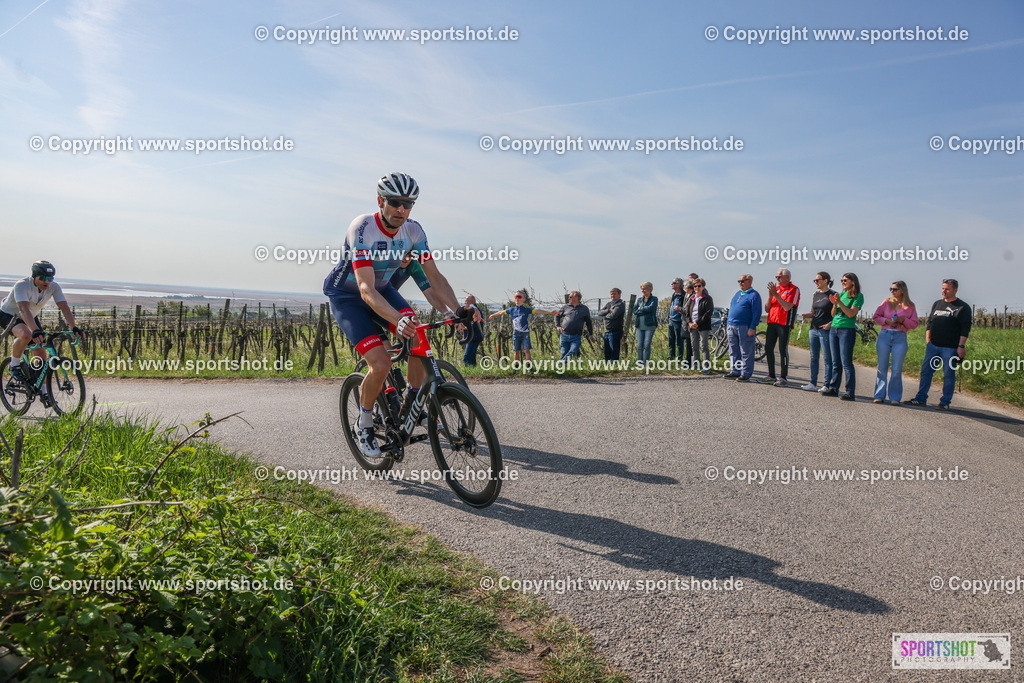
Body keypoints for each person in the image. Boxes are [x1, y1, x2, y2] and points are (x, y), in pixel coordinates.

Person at [323, 172, 465, 457]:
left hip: (383, 290)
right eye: (395, 202)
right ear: (381, 202)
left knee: (418, 335)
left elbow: (435, 279)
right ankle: (364, 422)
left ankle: (412, 401)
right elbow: (365, 288)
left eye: (408, 204)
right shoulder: (363, 227)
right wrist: (397, 320)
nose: (401, 209)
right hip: (349, 296)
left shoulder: (413, 231)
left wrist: (460, 311)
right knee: (381, 363)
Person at [1, 261, 83, 407]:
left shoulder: (53, 287)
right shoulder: (22, 285)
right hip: (9, 314)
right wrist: (35, 330)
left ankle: (44, 392)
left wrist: (74, 327)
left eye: (50, 278)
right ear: (34, 277)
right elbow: (23, 309)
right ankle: (14, 365)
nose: (47, 281)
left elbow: (64, 307)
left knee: (41, 353)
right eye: (43, 278)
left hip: (30, 316)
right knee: (26, 334)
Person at [905, 278, 971, 411]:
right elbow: (930, 322)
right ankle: (920, 399)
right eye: (943, 288)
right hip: (933, 346)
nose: (944, 291)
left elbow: (965, 328)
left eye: (947, 289)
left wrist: (961, 346)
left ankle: (945, 402)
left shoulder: (962, 307)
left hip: (950, 348)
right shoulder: (937, 304)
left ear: (955, 290)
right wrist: (928, 340)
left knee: (948, 374)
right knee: (926, 372)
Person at [871, 281, 919, 405]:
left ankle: (895, 397)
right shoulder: (886, 302)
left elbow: (914, 324)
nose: (892, 291)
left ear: (902, 290)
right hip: (885, 335)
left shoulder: (910, 306)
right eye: (891, 289)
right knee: (882, 367)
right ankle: (879, 395)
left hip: (900, 337)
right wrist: (887, 321)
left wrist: (903, 320)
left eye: (895, 289)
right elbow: (876, 317)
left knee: (897, 369)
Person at [821, 272, 863, 400]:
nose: (843, 282)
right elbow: (833, 314)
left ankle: (850, 392)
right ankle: (834, 388)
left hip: (847, 330)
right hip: (834, 328)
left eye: (845, 280)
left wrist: (839, 302)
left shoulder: (858, 296)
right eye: (842, 280)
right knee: (836, 362)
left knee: (846, 362)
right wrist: (835, 304)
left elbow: (850, 314)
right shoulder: (842, 295)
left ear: (853, 282)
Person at [488, 291, 557, 365]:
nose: (517, 299)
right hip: (516, 333)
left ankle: (529, 367)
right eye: (516, 297)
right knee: (516, 351)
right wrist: (493, 315)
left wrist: (549, 312)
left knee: (527, 350)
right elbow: (501, 312)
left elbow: (538, 311)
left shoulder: (526, 310)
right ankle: (516, 367)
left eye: (519, 297)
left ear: (524, 299)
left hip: (525, 333)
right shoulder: (511, 310)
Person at [764, 268, 800, 387]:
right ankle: (771, 375)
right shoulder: (776, 289)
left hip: (784, 323)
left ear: (787, 278)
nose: (777, 279)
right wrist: (770, 296)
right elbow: (767, 309)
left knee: (782, 349)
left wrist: (776, 295)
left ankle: (783, 377)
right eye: (776, 277)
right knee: (768, 348)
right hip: (772, 322)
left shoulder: (794, 289)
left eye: (779, 277)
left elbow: (787, 307)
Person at [800, 272, 835, 392]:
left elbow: (837, 314)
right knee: (813, 357)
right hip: (813, 329)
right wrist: (806, 315)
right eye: (814, 280)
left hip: (825, 330)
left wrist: (830, 324)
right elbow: (813, 312)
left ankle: (826, 384)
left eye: (817, 280)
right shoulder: (815, 294)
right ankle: (813, 383)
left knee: (827, 358)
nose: (815, 282)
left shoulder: (833, 294)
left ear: (826, 281)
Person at [725, 274, 762, 382]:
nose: (740, 283)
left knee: (746, 351)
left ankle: (746, 374)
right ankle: (735, 371)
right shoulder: (738, 293)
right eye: (739, 281)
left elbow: (757, 313)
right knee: (733, 350)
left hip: (744, 326)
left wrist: (752, 327)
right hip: (731, 325)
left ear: (749, 281)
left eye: (742, 281)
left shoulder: (754, 295)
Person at [684, 278, 713, 374]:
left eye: (699, 286)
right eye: (695, 286)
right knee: (694, 346)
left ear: (703, 287)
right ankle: (696, 365)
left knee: (704, 346)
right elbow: (687, 312)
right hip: (692, 326)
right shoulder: (692, 299)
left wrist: (697, 323)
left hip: (703, 326)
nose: (697, 288)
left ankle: (706, 367)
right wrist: (689, 323)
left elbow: (708, 313)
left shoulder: (707, 298)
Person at [555, 291, 593, 360]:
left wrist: (591, 334)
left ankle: (560, 363)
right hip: (564, 334)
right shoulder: (565, 307)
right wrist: (558, 326)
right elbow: (557, 315)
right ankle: (564, 366)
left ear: (576, 298)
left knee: (573, 351)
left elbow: (588, 322)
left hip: (576, 336)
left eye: (570, 297)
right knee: (564, 353)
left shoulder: (584, 309)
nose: (568, 298)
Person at [633, 282, 658, 365]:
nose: (642, 290)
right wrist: (643, 310)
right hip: (640, 325)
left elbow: (651, 308)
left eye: (644, 289)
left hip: (650, 325)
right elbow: (635, 311)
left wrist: (640, 308)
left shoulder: (654, 299)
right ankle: (640, 363)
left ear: (649, 289)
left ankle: (646, 363)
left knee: (647, 345)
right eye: (642, 289)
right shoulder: (639, 300)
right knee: (639, 346)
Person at [598, 288, 625, 360]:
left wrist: (605, 316)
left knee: (614, 350)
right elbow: (600, 312)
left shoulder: (620, 304)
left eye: (614, 294)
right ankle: (608, 365)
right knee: (607, 351)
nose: (612, 296)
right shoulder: (609, 304)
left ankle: (615, 365)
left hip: (615, 331)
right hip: (607, 331)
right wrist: (608, 310)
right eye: (611, 294)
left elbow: (613, 315)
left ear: (619, 295)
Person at [667, 278, 686, 362]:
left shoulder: (683, 295)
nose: (672, 284)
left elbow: (685, 308)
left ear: (679, 285)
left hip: (678, 320)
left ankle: (680, 357)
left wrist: (679, 309)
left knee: (679, 340)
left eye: (674, 283)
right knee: (671, 340)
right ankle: (671, 355)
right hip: (671, 320)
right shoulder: (674, 295)